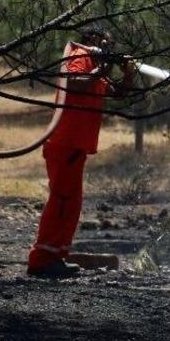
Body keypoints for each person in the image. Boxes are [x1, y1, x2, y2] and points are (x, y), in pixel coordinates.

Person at [28, 25, 136, 278]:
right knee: (62, 201)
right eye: (106, 42)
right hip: (65, 143)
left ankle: (56, 256)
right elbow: (75, 84)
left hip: (76, 146)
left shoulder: (93, 67)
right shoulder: (79, 57)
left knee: (71, 204)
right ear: (93, 39)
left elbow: (117, 92)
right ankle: (42, 259)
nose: (109, 48)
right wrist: (103, 69)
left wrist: (127, 74)